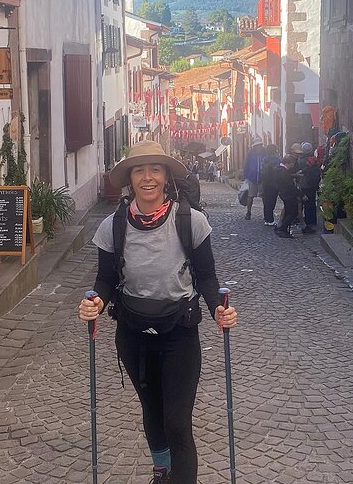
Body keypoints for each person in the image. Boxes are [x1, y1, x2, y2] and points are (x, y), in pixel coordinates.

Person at [78, 140, 238, 484]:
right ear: (130, 179)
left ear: (166, 177)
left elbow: (207, 277)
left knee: (177, 422)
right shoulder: (112, 226)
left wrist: (218, 309)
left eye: (155, 170)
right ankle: (162, 471)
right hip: (133, 334)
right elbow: (105, 280)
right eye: (139, 171)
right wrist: (96, 303)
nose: (147, 177)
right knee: (151, 409)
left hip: (179, 333)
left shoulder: (191, 222)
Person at [291, 142, 321, 234]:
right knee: (312, 202)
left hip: (304, 184)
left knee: (303, 203)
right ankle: (312, 220)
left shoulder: (301, 161)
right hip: (313, 184)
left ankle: (305, 221)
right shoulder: (314, 159)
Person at [275, 154, 301, 238]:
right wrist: (300, 194)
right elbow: (290, 185)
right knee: (293, 213)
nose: (293, 166)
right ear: (288, 163)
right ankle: (283, 228)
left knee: (288, 212)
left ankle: (282, 228)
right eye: (292, 164)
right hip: (288, 194)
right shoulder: (283, 172)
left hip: (284, 193)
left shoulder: (280, 170)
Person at [242, 136, 264, 220]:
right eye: (257, 145)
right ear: (254, 146)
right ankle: (248, 212)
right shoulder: (250, 154)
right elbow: (246, 165)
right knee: (250, 196)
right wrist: (245, 177)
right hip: (252, 177)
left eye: (260, 145)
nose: (258, 147)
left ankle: (266, 212)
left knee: (264, 196)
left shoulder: (264, 153)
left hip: (262, 177)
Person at [261, 144, 281, 226]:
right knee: (272, 201)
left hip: (265, 183)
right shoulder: (277, 160)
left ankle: (267, 219)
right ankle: (270, 220)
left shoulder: (264, 159)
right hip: (274, 183)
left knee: (266, 201)